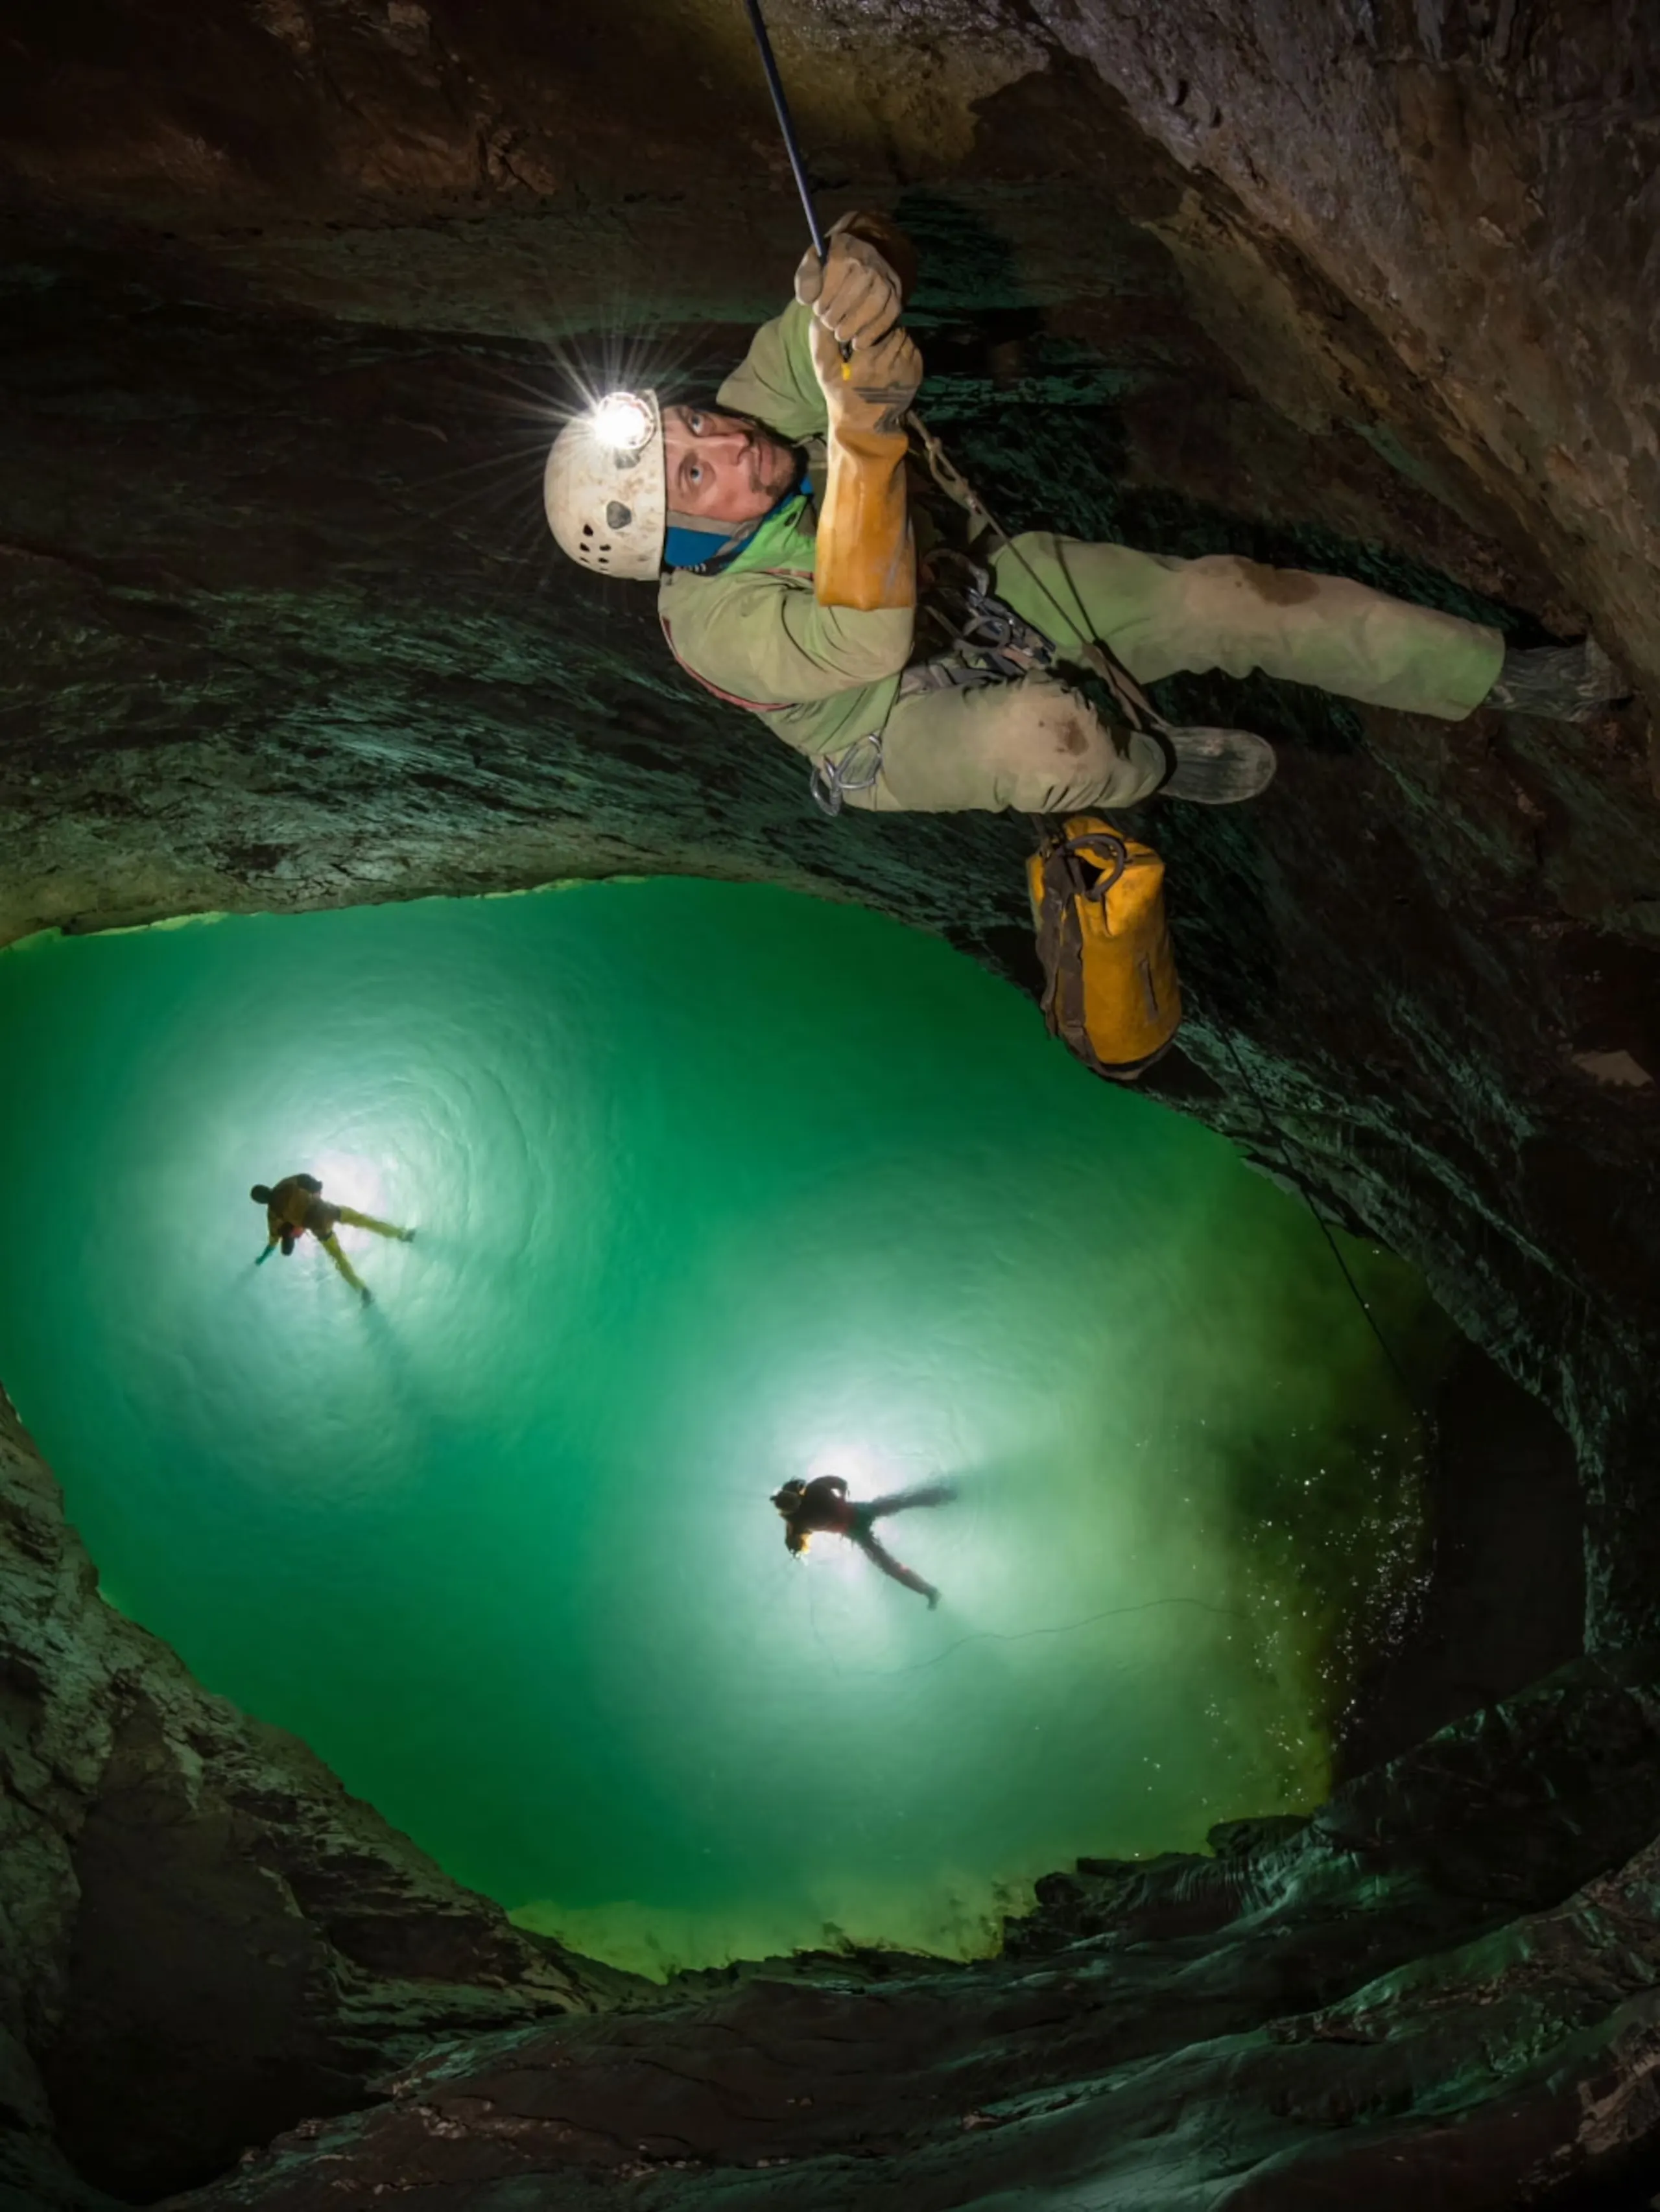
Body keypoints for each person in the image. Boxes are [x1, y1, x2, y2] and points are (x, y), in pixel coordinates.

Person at [542, 213, 1625, 816]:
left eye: (690, 425)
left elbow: (824, 310)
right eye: (693, 479)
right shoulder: (710, 627)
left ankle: (1488, 672)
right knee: (1050, 734)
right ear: (678, 547)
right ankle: (1155, 766)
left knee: (1227, 596)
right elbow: (867, 634)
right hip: (887, 725)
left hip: (971, 589)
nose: (726, 445)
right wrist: (864, 434)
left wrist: (862, 262)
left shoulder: (747, 422)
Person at [771, 1473, 954, 1607]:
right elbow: (841, 1483)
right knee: (887, 1562)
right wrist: (842, 1499)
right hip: (858, 1521)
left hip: (858, 1517)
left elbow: (840, 1483)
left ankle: (944, 1494)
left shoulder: (806, 1505)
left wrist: (797, 1550)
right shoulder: (806, 1505)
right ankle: (928, 1591)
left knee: (899, 1506)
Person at [251, 1173, 414, 1306]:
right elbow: (313, 1183)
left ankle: (362, 1290)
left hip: (319, 1229)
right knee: (365, 1221)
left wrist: (263, 1258)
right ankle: (402, 1234)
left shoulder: (273, 1216)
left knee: (339, 1259)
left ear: (261, 1203)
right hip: (328, 1211)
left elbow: (274, 1242)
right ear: (267, 1187)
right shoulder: (286, 1184)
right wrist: (316, 1198)